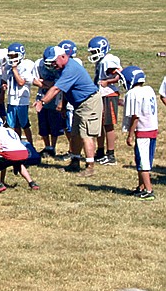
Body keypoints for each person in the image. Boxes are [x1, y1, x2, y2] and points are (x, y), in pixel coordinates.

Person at [34, 46, 102, 178]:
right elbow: (67, 89)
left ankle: (90, 167)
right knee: (75, 133)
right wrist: (64, 105)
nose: (53, 65)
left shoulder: (70, 69)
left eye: (54, 62)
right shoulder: (62, 68)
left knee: (86, 134)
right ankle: (75, 162)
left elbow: (56, 89)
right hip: (79, 103)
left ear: (63, 57)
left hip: (89, 102)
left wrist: (42, 102)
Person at [121, 66, 158, 200]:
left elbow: (135, 116)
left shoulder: (133, 93)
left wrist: (130, 134)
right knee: (141, 159)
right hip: (152, 128)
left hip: (143, 131)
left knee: (143, 162)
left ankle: (148, 190)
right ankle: (141, 187)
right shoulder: (149, 90)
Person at [0, 113, 39, 192]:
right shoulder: (8, 130)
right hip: (23, 152)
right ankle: (31, 183)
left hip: (9, 153)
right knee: (16, 162)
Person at [87, 36, 122, 165]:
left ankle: (111, 154)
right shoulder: (102, 60)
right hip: (100, 94)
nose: (93, 54)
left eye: (94, 51)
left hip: (108, 94)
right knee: (99, 125)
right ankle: (100, 151)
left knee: (108, 125)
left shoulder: (109, 60)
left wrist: (108, 82)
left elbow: (120, 75)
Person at [1, 42, 38, 144]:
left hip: (22, 100)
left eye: (15, 56)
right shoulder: (8, 67)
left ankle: (31, 145)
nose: (12, 58)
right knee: (13, 125)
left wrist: (14, 69)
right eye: (10, 56)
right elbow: (4, 80)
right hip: (11, 99)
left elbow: (21, 82)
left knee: (24, 124)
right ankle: (17, 143)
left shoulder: (26, 65)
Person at [35, 46, 66, 158]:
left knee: (54, 124)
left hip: (55, 98)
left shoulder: (59, 67)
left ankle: (53, 146)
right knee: (43, 124)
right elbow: (35, 80)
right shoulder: (39, 64)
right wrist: (49, 84)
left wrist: (45, 83)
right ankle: (47, 146)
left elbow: (57, 85)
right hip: (42, 95)